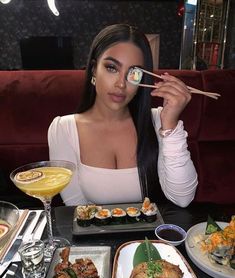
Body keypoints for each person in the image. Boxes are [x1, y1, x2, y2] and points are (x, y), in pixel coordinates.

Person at [48, 23, 198, 207]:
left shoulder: (158, 120)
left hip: (150, 235)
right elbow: (76, 208)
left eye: (134, 72)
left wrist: (170, 126)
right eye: (112, 68)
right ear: (94, 69)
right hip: (95, 234)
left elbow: (183, 198)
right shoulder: (63, 129)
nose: (121, 84)